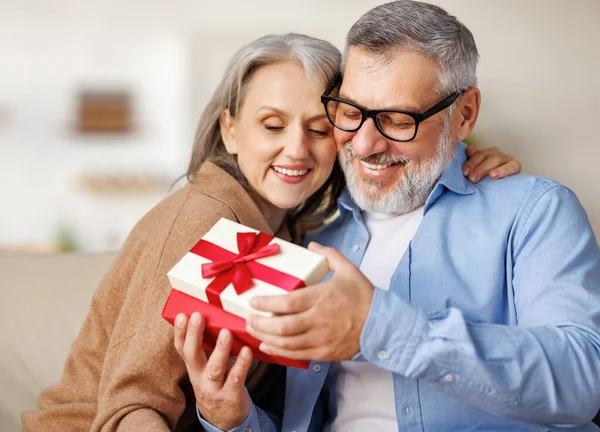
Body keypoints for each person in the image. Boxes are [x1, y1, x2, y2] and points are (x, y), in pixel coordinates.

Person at [21, 33, 520, 432]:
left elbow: (397, 151)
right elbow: (133, 405)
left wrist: (460, 157)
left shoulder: (304, 228)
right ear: (231, 131)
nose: (297, 150)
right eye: (272, 125)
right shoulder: (203, 219)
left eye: (319, 129)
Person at [241, 2, 600, 432]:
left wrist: (380, 328)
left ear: (464, 114)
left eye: (397, 119)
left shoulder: (534, 211)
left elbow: (580, 379)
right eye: (351, 113)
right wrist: (234, 419)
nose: (366, 144)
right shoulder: (312, 226)